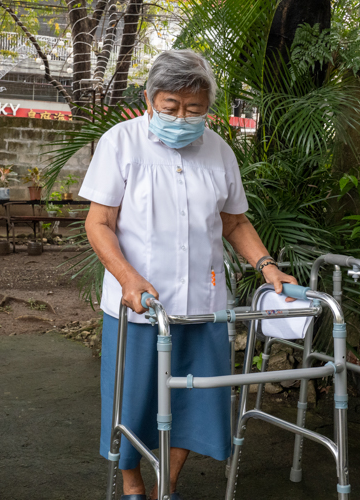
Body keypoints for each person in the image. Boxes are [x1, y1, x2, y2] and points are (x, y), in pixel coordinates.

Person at [79, 49, 297, 500]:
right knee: (134, 403)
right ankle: (133, 484)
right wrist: (127, 278)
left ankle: (168, 487)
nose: (181, 117)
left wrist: (268, 266)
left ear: (207, 108)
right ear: (149, 98)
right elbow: (98, 223)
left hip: (203, 305)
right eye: (170, 107)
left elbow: (234, 222)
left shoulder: (219, 152)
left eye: (193, 109)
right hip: (141, 305)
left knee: (193, 405)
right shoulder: (121, 142)